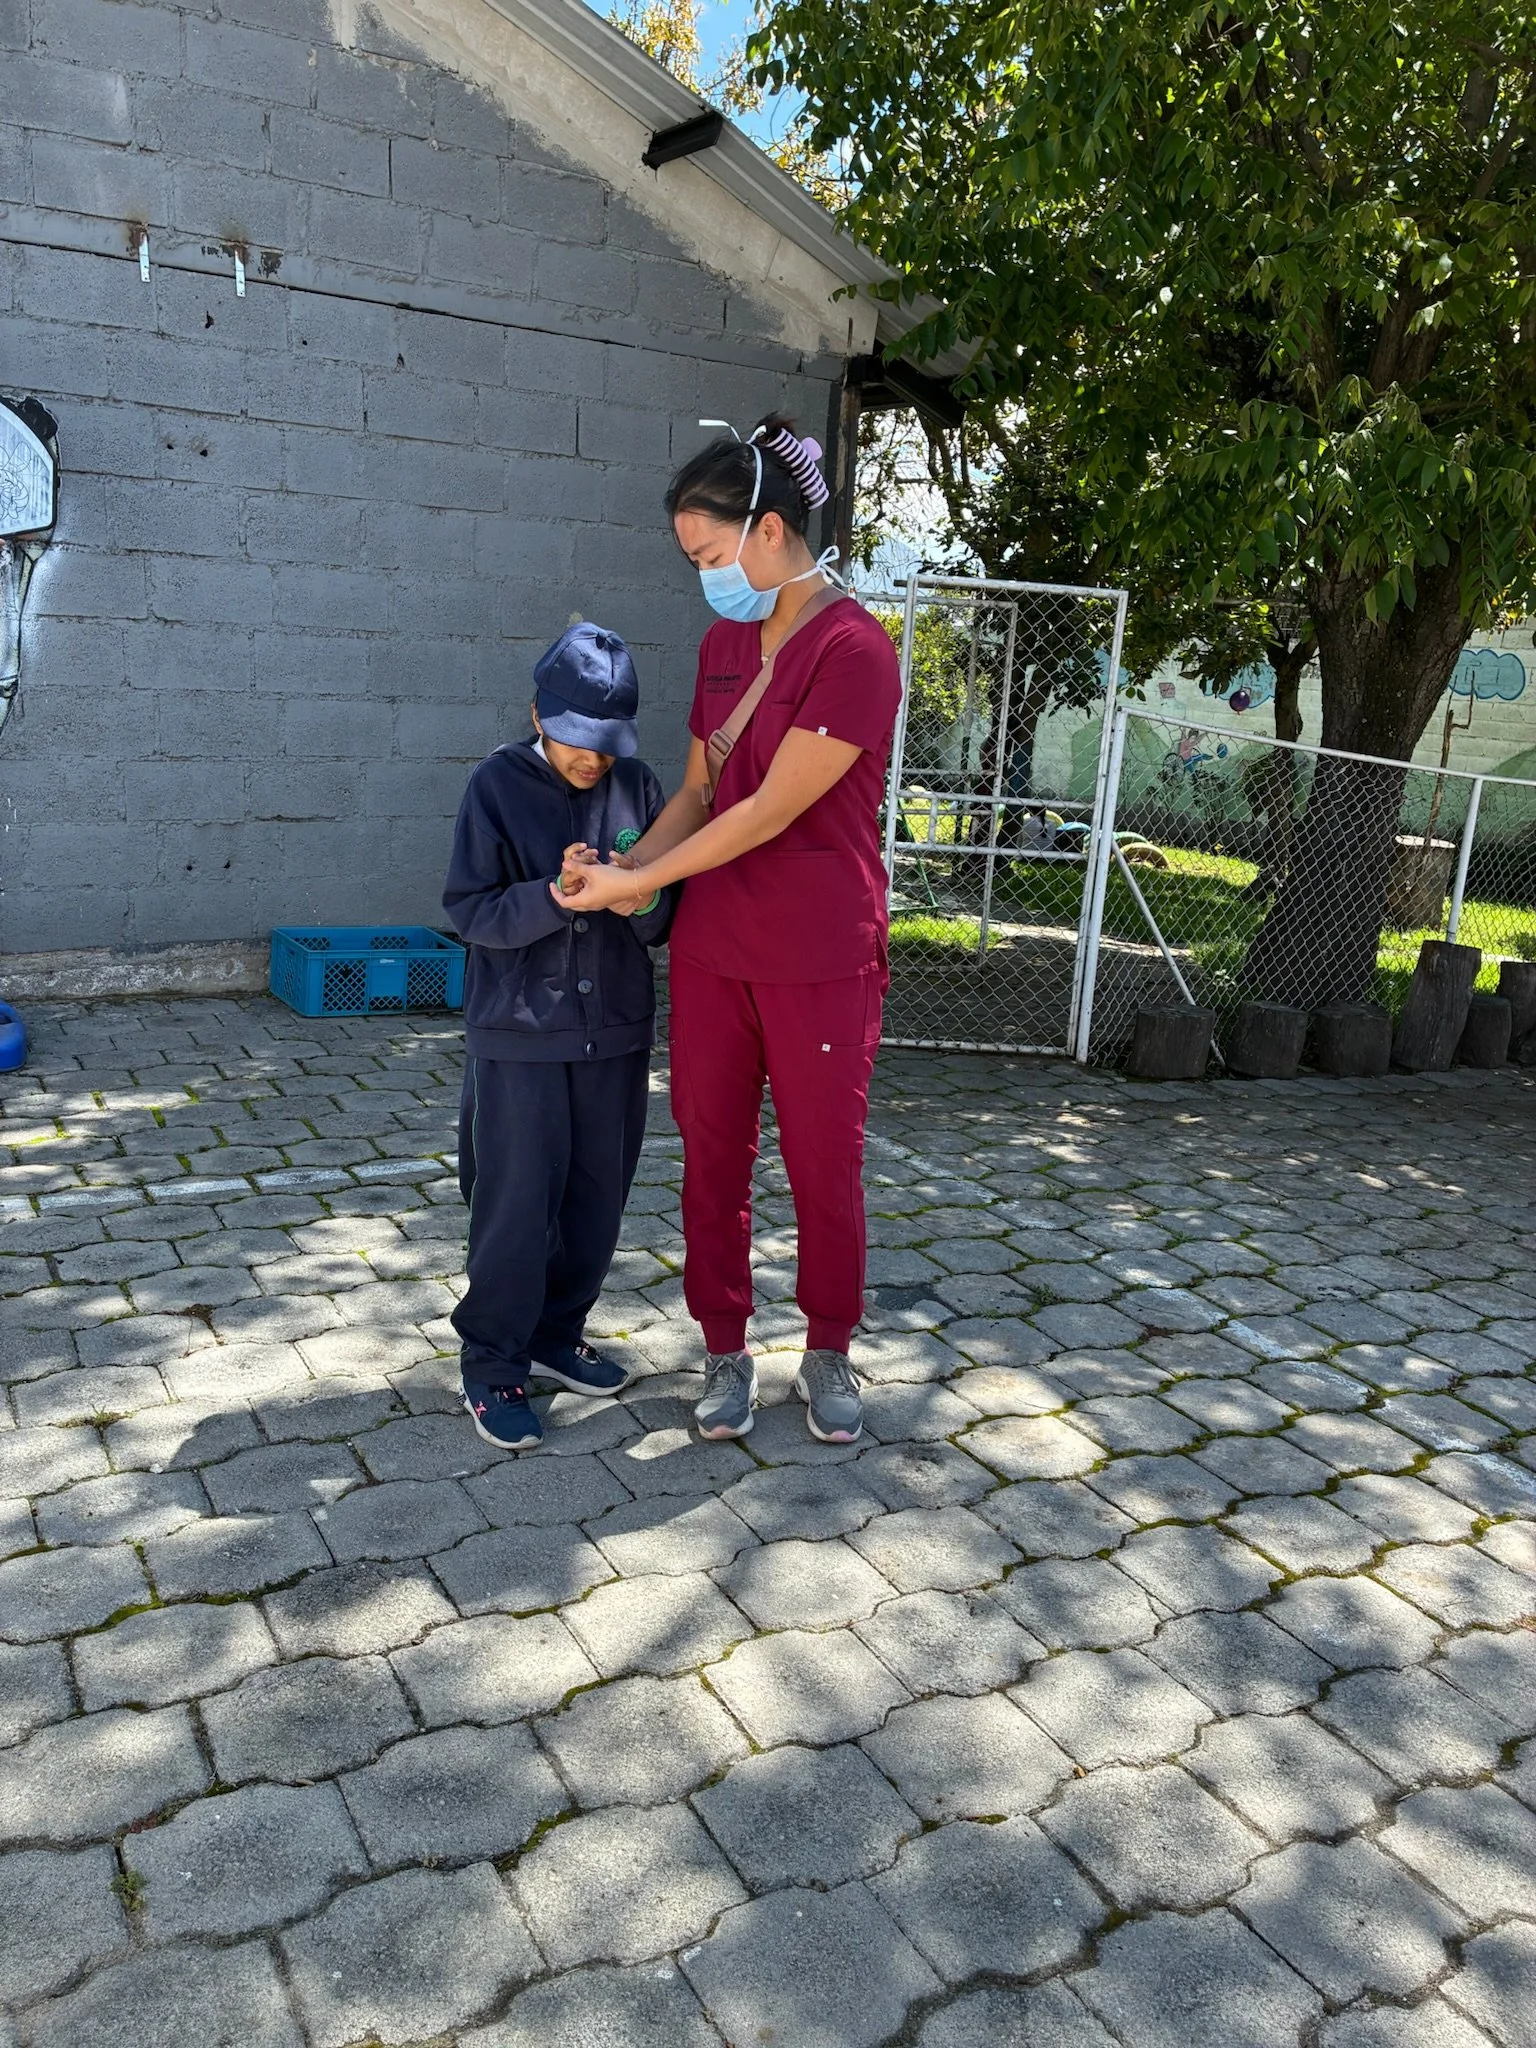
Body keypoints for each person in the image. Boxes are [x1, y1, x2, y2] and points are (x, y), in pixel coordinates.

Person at [557, 415, 901, 1444]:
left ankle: (829, 1345)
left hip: (818, 954)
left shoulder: (855, 648)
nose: (707, 574)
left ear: (768, 529)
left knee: (822, 1160)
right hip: (716, 951)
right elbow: (705, 788)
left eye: (711, 554)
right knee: (711, 1154)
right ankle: (724, 1346)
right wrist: (625, 866)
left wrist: (644, 879)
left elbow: (769, 810)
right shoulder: (721, 643)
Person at [443, 621, 674, 1450]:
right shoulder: (495, 786)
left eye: (608, 744)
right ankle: (494, 1362)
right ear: (539, 714)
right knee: (514, 1206)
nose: (593, 760)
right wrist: (555, 895)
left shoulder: (642, 790)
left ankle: (555, 1333)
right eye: (579, 739)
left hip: (614, 1037)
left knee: (595, 1201)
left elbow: (662, 919)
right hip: (519, 1038)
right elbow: (470, 911)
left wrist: (634, 898)